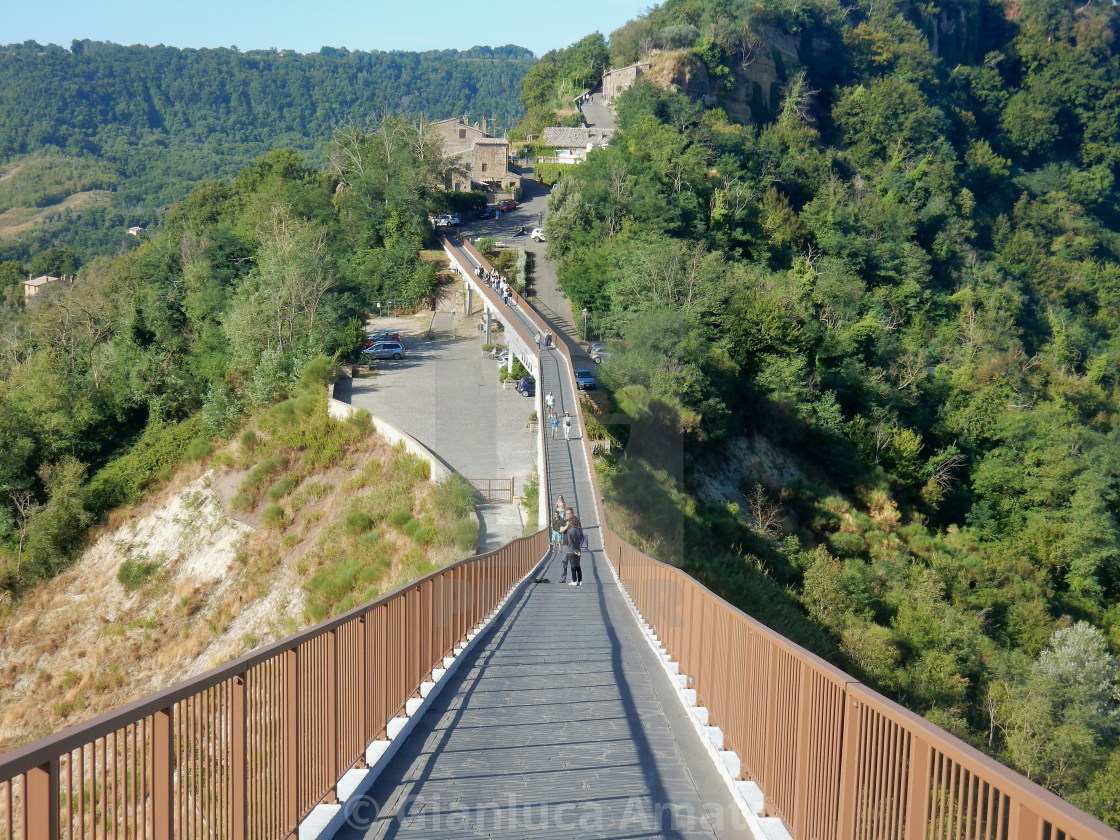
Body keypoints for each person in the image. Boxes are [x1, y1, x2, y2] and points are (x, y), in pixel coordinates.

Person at [560, 508, 584, 586]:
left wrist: (581, 544)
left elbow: (581, 532)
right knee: (564, 561)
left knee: (575, 563)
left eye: (570, 513)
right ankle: (563, 578)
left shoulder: (576, 521)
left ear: (573, 513)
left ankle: (575, 579)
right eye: (567, 514)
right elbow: (561, 530)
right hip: (566, 544)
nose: (568, 515)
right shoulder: (563, 521)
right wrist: (566, 526)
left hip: (575, 545)